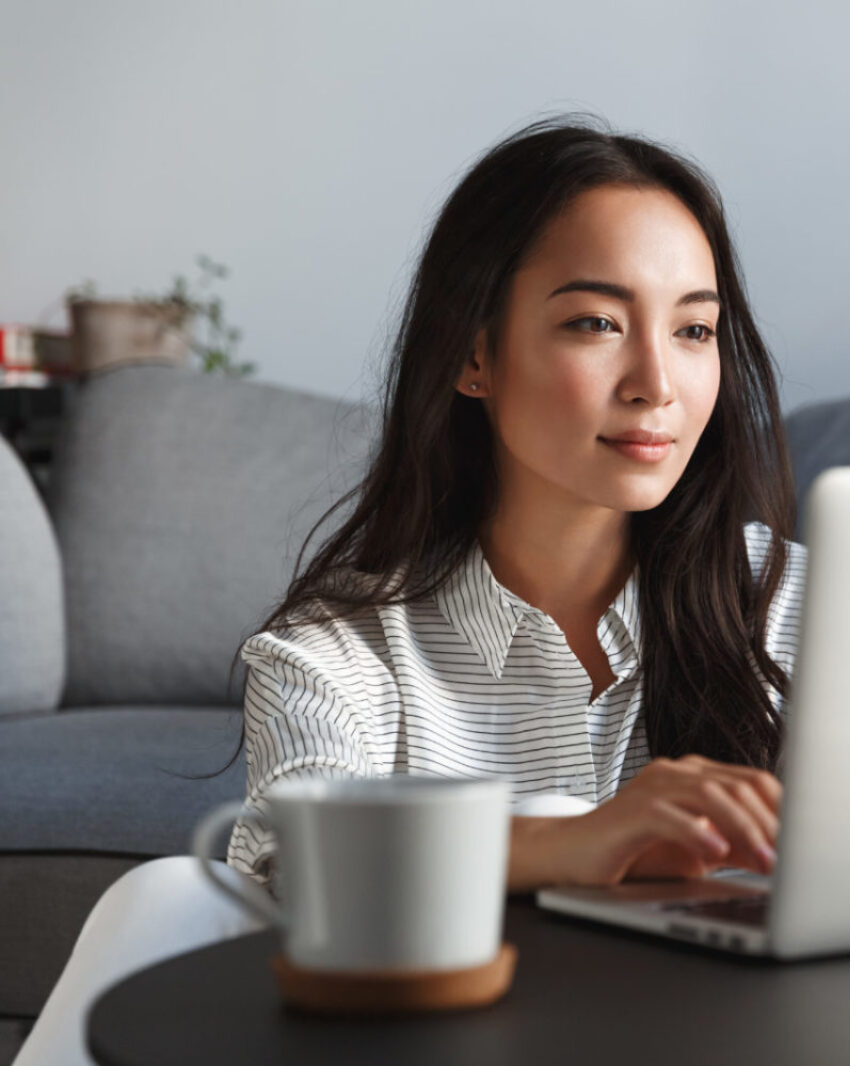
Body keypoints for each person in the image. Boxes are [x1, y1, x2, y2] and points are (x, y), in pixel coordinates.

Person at [15, 113, 806, 1066]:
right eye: (596, 322)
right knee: (167, 898)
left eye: (694, 329)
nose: (657, 382)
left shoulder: (805, 607)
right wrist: (572, 843)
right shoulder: (337, 646)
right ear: (475, 355)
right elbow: (293, 863)